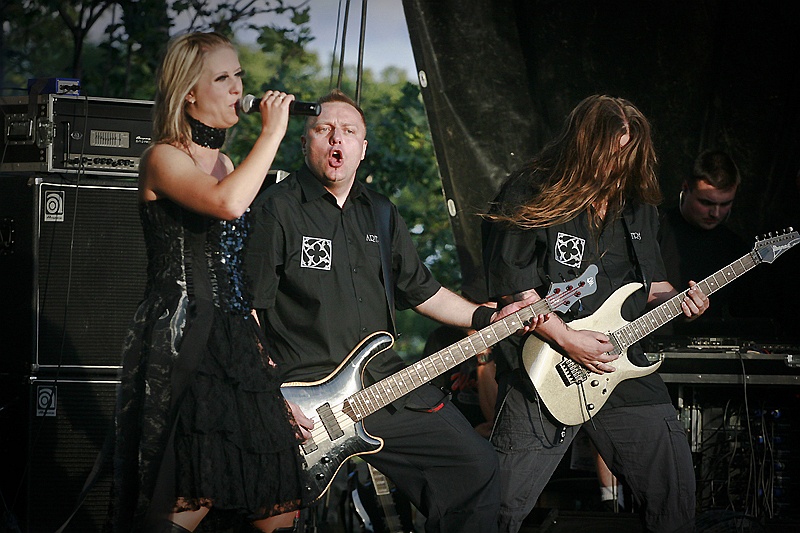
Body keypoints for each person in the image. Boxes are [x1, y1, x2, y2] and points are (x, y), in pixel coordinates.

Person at [245, 88, 546, 533]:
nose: (336, 141)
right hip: (305, 398)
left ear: (363, 149)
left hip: (383, 385)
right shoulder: (276, 208)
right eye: (324, 129)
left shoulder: (381, 213)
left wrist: (486, 318)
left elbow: (423, 292)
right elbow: (247, 310)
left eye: (348, 132)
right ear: (305, 140)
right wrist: (272, 396)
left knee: (475, 467)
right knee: (271, 516)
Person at [109, 31, 312, 533]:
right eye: (222, 77)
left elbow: (235, 265)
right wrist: (271, 134)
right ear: (189, 93)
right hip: (184, 336)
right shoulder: (163, 157)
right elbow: (227, 203)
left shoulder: (226, 164)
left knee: (277, 496)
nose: (237, 86)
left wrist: (260, 349)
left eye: (238, 74)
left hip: (234, 336)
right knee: (188, 491)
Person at [481, 95, 709, 533]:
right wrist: (568, 339)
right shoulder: (529, 189)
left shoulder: (638, 205)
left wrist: (683, 303)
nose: (620, 161)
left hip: (621, 364)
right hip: (546, 366)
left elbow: (654, 290)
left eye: (629, 150)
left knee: (674, 500)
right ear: (585, 144)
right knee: (499, 510)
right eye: (612, 150)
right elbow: (515, 292)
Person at [657, 149, 753, 335]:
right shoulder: (653, 229)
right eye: (706, 202)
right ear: (686, 188)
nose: (715, 213)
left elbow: (747, 315)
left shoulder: (735, 247)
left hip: (710, 356)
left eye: (725, 204)